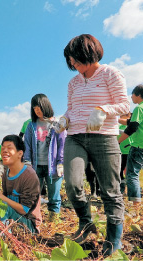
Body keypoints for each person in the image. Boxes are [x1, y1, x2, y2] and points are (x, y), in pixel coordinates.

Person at [55, 34, 129, 256]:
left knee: (110, 191)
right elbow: (71, 108)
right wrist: (64, 119)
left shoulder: (110, 74)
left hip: (104, 137)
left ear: (89, 54)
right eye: (70, 62)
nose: (73, 65)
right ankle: (86, 224)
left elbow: (125, 106)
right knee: (73, 183)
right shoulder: (73, 82)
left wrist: (103, 110)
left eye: (76, 60)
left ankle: (113, 242)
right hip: (75, 136)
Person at [0, 135, 42, 233]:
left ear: (20, 154)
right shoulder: (6, 172)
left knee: (3, 206)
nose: (4, 151)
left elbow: (24, 210)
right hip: (13, 219)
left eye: (9, 148)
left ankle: (3, 240)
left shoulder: (29, 176)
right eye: (3, 148)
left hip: (29, 224)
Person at [24, 94, 66, 222]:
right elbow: (27, 145)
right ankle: (35, 218)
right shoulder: (31, 126)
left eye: (39, 107)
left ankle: (53, 220)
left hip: (53, 167)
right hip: (36, 167)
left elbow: (62, 145)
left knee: (54, 195)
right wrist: (27, 162)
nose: (37, 111)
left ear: (46, 106)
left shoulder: (56, 124)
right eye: (35, 108)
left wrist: (61, 163)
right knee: (34, 194)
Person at [119, 85, 143, 214]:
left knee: (132, 175)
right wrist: (116, 120)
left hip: (138, 146)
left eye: (132, 94)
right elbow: (131, 122)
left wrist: (118, 141)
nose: (131, 97)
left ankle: (135, 208)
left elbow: (132, 128)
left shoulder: (139, 108)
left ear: (138, 94)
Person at [117, 113, 132, 194]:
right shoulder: (118, 126)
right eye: (120, 116)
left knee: (130, 172)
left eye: (122, 116)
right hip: (120, 152)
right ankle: (122, 188)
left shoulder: (130, 126)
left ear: (128, 117)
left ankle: (130, 189)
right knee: (120, 171)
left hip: (129, 151)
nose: (120, 118)